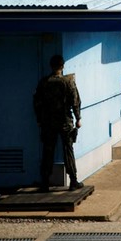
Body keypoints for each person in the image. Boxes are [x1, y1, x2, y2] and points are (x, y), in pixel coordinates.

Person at [33, 55, 83, 192]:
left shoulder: (43, 82)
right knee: (68, 149)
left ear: (51, 66)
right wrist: (78, 118)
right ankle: (73, 181)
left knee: (48, 151)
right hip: (65, 121)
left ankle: (45, 183)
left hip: (48, 122)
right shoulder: (68, 82)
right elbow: (75, 101)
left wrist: (39, 119)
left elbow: (37, 102)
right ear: (63, 66)